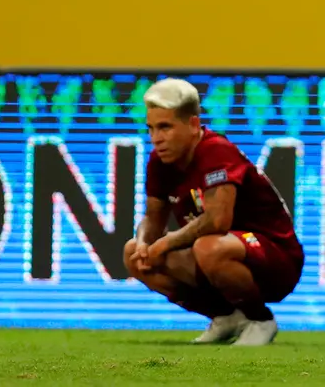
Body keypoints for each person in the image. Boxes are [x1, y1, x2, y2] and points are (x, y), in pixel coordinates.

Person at [123, 78, 304, 346]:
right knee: (134, 254)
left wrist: (165, 243)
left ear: (193, 124)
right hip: (220, 253)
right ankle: (226, 316)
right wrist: (144, 243)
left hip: (276, 258)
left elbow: (218, 221)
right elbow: (153, 217)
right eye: (151, 128)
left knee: (209, 247)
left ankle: (260, 319)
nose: (156, 138)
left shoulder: (216, 151)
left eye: (165, 127)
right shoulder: (160, 161)